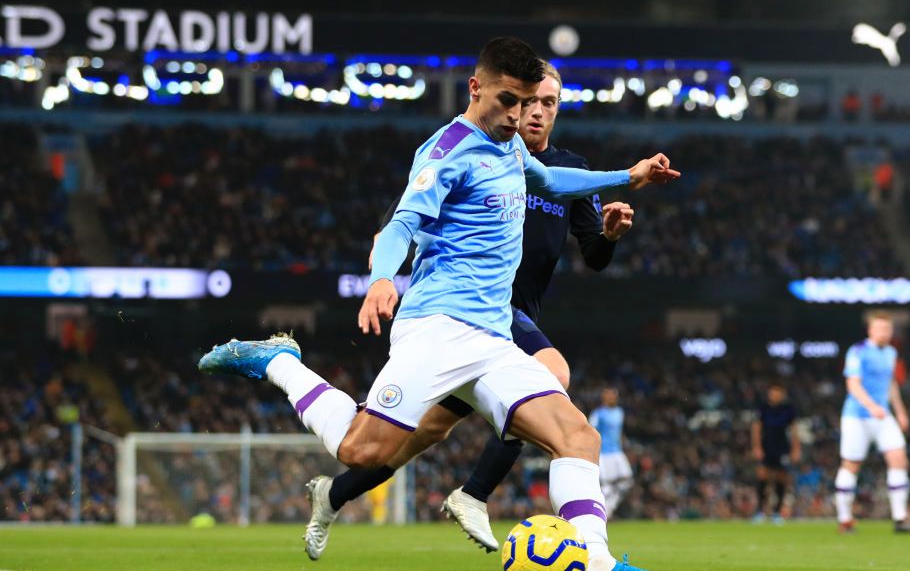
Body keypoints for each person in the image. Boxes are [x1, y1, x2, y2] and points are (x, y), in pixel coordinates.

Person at [199, 36, 677, 571]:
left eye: (527, 103)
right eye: (507, 101)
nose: (518, 115)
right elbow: (402, 223)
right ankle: (279, 362)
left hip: (494, 339)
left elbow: (551, 180)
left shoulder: (511, 143)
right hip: (438, 327)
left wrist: (627, 177)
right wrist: (382, 278)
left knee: (577, 437)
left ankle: (599, 563)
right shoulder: (446, 152)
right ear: (476, 88)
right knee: (362, 452)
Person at [326, 60, 637, 554]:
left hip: (508, 319)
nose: (532, 113)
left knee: (424, 432)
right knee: (553, 374)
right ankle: (474, 494)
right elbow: (401, 221)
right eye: (524, 101)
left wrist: (612, 230)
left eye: (546, 103)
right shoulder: (458, 152)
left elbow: (593, 254)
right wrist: (383, 271)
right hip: (466, 312)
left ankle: (334, 493)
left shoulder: (566, 171)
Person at [833, 310, 910, 534]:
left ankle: (900, 518)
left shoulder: (891, 353)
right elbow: (852, 385)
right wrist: (871, 406)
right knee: (851, 465)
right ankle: (845, 520)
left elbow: (890, 384)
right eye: (880, 329)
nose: (885, 333)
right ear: (870, 330)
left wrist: (900, 411)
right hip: (857, 416)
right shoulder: (858, 351)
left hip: (883, 416)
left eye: (888, 329)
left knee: (899, 459)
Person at [751, 384, 799, 524]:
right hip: (766, 445)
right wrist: (757, 447)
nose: (775, 395)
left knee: (781, 478)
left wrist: (796, 449)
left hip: (782, 446)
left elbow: (794, 429)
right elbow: (756, 428)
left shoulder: (788, 409)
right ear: (769, 393)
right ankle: (760, 511)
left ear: (782, 393)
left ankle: (777, 512)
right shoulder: (763, 407)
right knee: (762, 476)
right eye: (773, 392)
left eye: (778, 392)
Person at [589, 388, 634, 517]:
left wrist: (626, 445)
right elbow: (590, 431)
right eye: (608, 395)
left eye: (613, 395)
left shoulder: (620, 412)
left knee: (627, 480)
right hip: (603, 453)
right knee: (607, 483)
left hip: (617, 452)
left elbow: (618, 432)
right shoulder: (598, 414)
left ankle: (609, 507)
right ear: (604, 397)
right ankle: (603, 512)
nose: (612, 398)